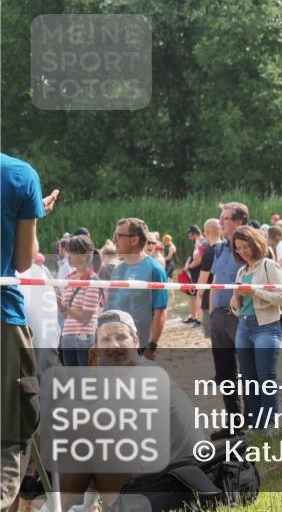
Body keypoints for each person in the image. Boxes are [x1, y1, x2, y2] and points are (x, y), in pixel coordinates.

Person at [56, 309, 204, 510]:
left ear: (136, 341)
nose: (114, 345)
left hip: (175, 488)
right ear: (96, 348)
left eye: (121, 337)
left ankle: (57, 508)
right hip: (177, 481)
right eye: (106, 339)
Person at [1, 153, 57, 511]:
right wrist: (33, 214)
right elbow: (23, 261)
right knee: (11, 430)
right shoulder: (19, 174)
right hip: (3, 318)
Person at [230, 225, 282, 431]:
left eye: (246, 246)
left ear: (255, 244)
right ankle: (256, 426)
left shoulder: (268, 266)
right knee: (249, 380)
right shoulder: (240, 271)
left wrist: (255, 291)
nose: (243, 251)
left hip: (267, 327)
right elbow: (236, 308)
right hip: (243, 327)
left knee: (266, 379)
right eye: (238, 248)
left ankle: (269, 426)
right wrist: (236, 297)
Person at [204, 202, 252, 437]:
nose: (221, 222)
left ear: (239, 221)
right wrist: (212, 310)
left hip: (241, 316)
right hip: (220, 316)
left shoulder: (250, 247)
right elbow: (215, 281)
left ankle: (249, 420)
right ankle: (233, 421)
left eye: (226, 218)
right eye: (220, 218)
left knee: (247, 369)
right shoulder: (220, 248)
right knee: (224, 372)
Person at [105, 217, 168, 355]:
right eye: (114, 235)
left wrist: (152, 347)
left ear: (134, 240)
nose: (114, 240)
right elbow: (110, 307)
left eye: (118, 236)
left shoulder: (154, 269)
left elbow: (160, 311)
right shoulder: (118, 269)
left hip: (139, 344)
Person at [57, 234, 105, 366]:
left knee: (87, 380)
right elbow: (67, 314)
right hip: (67, 334)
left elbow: (86, 318)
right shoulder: (69, 277)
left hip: (85, 336)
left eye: (73, 252)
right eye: (68, 251)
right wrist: (61, 305)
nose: (68, 255)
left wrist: (63, 307)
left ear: (85, 256)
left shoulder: (93, 281)